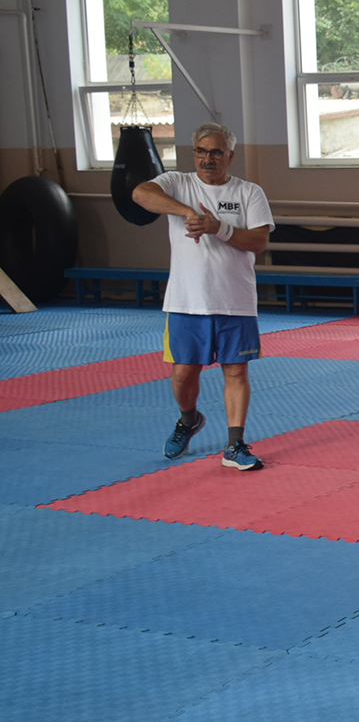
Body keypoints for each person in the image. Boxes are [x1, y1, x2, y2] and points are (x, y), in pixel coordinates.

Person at [131, 122, 276, 471]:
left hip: (235, 300)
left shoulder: (249, 192)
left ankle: (235, 445)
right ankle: (189, 419)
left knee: (236, 371)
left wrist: (218, 227)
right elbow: (139, 194)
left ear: (230, 156)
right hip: (187, 300)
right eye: (200, 151)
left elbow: (259, 241)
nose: (207, 159)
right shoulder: (177, 183)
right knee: (184, 373)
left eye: (215, 152)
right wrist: (188, 213)